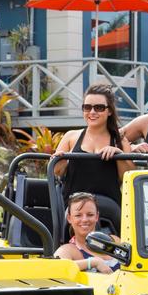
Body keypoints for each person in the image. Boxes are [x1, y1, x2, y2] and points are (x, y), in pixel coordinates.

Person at [51, 82, 132, 223]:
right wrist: (60, 159)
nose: (92, 112)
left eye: (99, 108)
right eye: (87, 107)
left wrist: (118, 155)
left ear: (109, 111)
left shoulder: (120, 141)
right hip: (74, 210)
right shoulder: (71, 136)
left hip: (109, 212)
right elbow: (57, 172)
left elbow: (128, 178)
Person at [55, 192, 117, 274]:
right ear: (69, 218)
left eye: (90, 215)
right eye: (78, 215)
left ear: (97, 217)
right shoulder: (68, 250)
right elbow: (56, 268)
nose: (84, 220)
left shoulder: (114, 240)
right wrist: (92, 262)